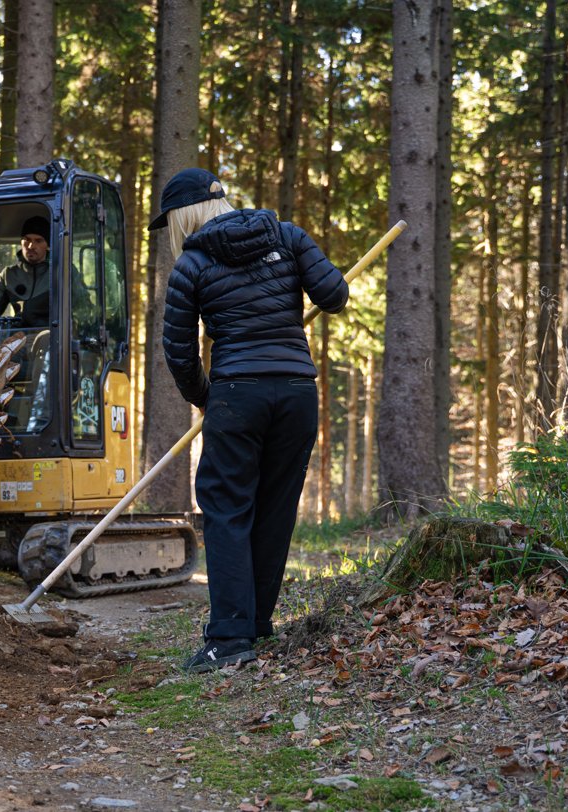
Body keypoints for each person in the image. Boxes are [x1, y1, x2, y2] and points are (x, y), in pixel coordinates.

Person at [151, 167, 349, 674]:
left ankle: (229, 638)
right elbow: (333, 296)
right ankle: (256, 622)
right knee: (274, 510)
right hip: (297, 393)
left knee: (226, 508)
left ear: (185, 216)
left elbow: (179, 352)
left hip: (238, 394)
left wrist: (206, 398)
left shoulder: (192, 263)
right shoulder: (288, 236)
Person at [0, 215, 53, 329]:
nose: (31, 246)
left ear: (47, 245)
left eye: (38, 241)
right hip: (18, 336)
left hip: (52, 336)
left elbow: (76, 311)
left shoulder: (62, 272)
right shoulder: (8, 275)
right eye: (27, 239)